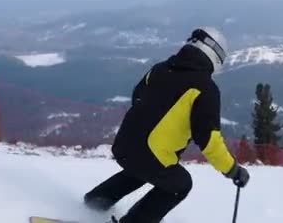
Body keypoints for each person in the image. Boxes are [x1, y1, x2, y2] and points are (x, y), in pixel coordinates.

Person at [83, 27, 250, 223]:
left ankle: (96, 201)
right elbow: (209, 141)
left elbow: (137, 96)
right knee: (180, 184)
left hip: (123, 145)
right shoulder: (205, 88)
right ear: (216, 56)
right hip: (148, 155)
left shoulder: (159, 69)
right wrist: (232, 169)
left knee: (144, 170)